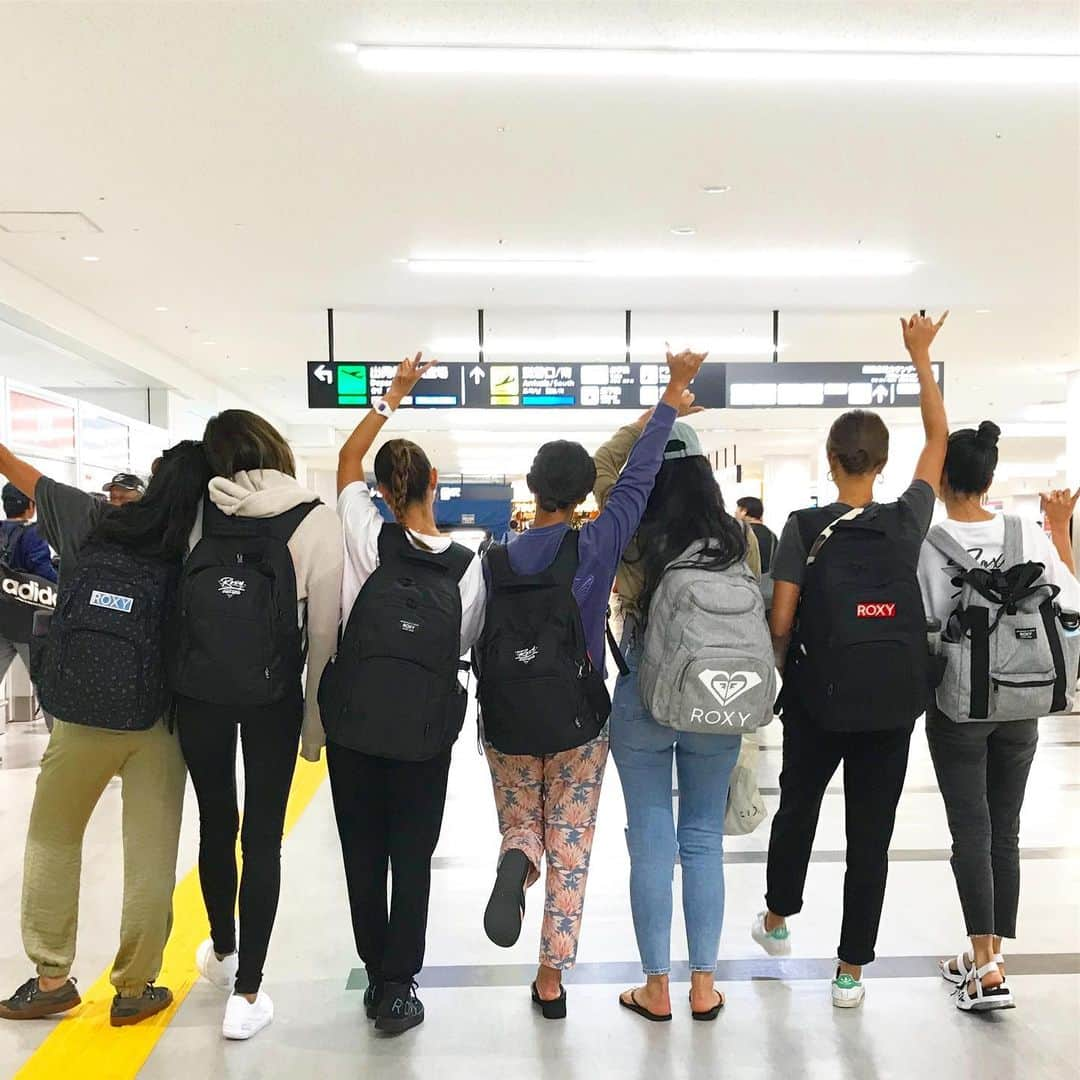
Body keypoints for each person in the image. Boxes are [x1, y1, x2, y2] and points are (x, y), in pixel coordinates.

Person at [480, 347, 707, 1019]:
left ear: (532, 486)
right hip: (579, 721)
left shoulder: (495, 559)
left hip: (509, 720)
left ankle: (516, 862)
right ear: (582, 494)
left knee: (524, 825)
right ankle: (550, 980)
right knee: (570, 849)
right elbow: (637, 479)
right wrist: (668, 398)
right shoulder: (596, 542)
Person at [754, 312, 949, 1008]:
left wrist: (793, 671)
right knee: (872, 835)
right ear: (883, 463)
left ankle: (778, 917)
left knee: (798, 808)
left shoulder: (803, 529)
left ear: (830, 461)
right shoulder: (906, 521)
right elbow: (940, 439)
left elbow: (780, 620)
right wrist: (921, 358)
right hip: (893, 706)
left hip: (818, 699)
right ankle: (850, 972)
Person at [0, 440, 209, 1026]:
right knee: (149, 856)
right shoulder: (195, 544)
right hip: (157, 722)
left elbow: (20, 471)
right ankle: (136, 990)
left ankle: (49, 979)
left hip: (78, 713)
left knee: (53, 839)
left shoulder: (93, 521)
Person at [327, 353, 486, 1034]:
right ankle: (400, 985)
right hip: (424, 731)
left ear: (384, 493)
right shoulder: (467, 564)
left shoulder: (367, 538)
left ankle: (374, 969)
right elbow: (463, 647)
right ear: (434, 485)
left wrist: (392, 395)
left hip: (356, 723)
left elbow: (346, 460)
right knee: (411, 854)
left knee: (362, 850)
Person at [176, 410, 342, 1041]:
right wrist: (313, 724)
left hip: (200, 694)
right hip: (273, 697)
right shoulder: (313, 518)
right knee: (263, 835)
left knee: (216, 821)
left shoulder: (197, 510)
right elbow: (322, 633)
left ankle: (221, 953)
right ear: (276, 447)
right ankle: (248, 993)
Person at [594, 405, 757, 1022]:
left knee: (652, 841)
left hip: (645, 694)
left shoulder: (634, 527)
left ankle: (656, 988)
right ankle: (704, 987)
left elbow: (599, 467)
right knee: (703, 842)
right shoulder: (736, 536)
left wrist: (651, 416)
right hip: (720, 695)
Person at [917, 422, 1080, 1011]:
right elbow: (1073, 604)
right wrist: (1059, 532)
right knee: (1004, 829)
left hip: (960, 707)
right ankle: (990, 956)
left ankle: (985, 967)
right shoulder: (1026, 534)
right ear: (990, 478)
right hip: (1023, 700)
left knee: (971, 829)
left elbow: (925, 620)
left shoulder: (929, 542)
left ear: (940, 478)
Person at [0, 482, 57, 691]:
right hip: (27, 622)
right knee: (45, 685)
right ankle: (54, 725)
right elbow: (43, 572)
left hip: (1, 617)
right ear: (31, 506)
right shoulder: (33, 534)